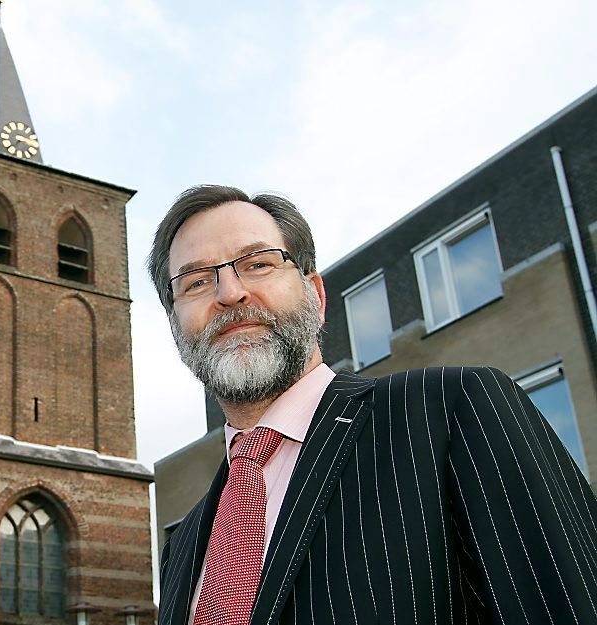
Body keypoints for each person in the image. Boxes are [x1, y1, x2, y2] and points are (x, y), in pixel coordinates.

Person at [148, 185, 597, 625]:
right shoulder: (181, 546)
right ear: (175, 327)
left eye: (258, 264)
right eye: (197, 281)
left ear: (317, 297)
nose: (229, 293)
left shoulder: (454, 410)